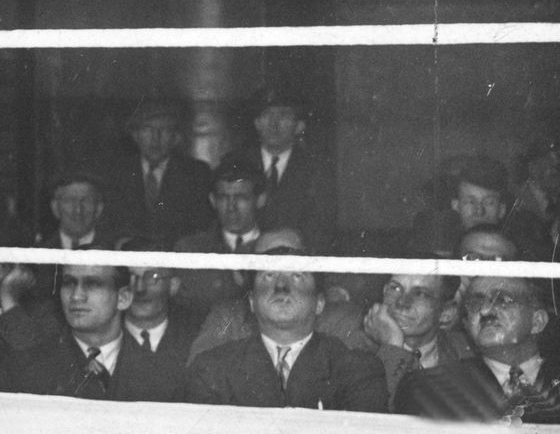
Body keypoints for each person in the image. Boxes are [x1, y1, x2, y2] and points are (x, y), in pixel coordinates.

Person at [183, 244, 387, 411]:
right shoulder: (212, 369)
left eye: (297, 277)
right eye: (268, 276)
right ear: (252, 302)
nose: (281, 287)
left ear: (319, 303)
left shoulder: (356, 369)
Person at [0, 262, 187, 402]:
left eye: (93, 284)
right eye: (69, 283)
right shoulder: (23, 368)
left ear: (124, 298)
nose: (76, 296)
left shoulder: (164, 375)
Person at [394, 274, 560, 422]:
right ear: (466, 324)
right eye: (476, 303)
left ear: (537, 322)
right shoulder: (427, 388)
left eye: (503, 300)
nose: (485, 310)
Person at [227, 86, 335, 251]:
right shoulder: (235, 162)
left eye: (284, 116)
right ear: (257, 123)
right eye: (267, 115)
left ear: (299, 126)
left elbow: (321, 229)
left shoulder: (316, 169)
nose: (274, 124)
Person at [102, 99, 213, 246]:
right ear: (136, 136)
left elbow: (202, 228)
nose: (156, 138)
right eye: (148, 129)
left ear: (175, 138)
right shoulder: (116, 173)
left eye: (164, 130)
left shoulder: (196, 174)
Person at [173, 157, 267, 315]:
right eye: (223, 198)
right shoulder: (190, 250)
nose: (231, 207)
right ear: (212, 200)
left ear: (260, 200)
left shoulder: (275, 247)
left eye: (241, 198)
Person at [361, 271, 472, 396]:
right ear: (384, 291)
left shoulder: (466, 353)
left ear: (446, 312)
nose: (402, 303)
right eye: (395, 288)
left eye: (420, 294)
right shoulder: (353, 349)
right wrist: (393, 346)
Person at [117, 240, 203, 367]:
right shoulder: (103, 338)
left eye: (152, 278)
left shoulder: (197, 337)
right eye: (132, 277)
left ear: (173, 286)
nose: (140, 288)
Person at [42, 171, 114, 250]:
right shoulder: (37, 253)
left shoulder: (116, 253)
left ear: (99, 208)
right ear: (55, 207)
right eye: (69, 200)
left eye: (86, 200)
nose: (78, 210)